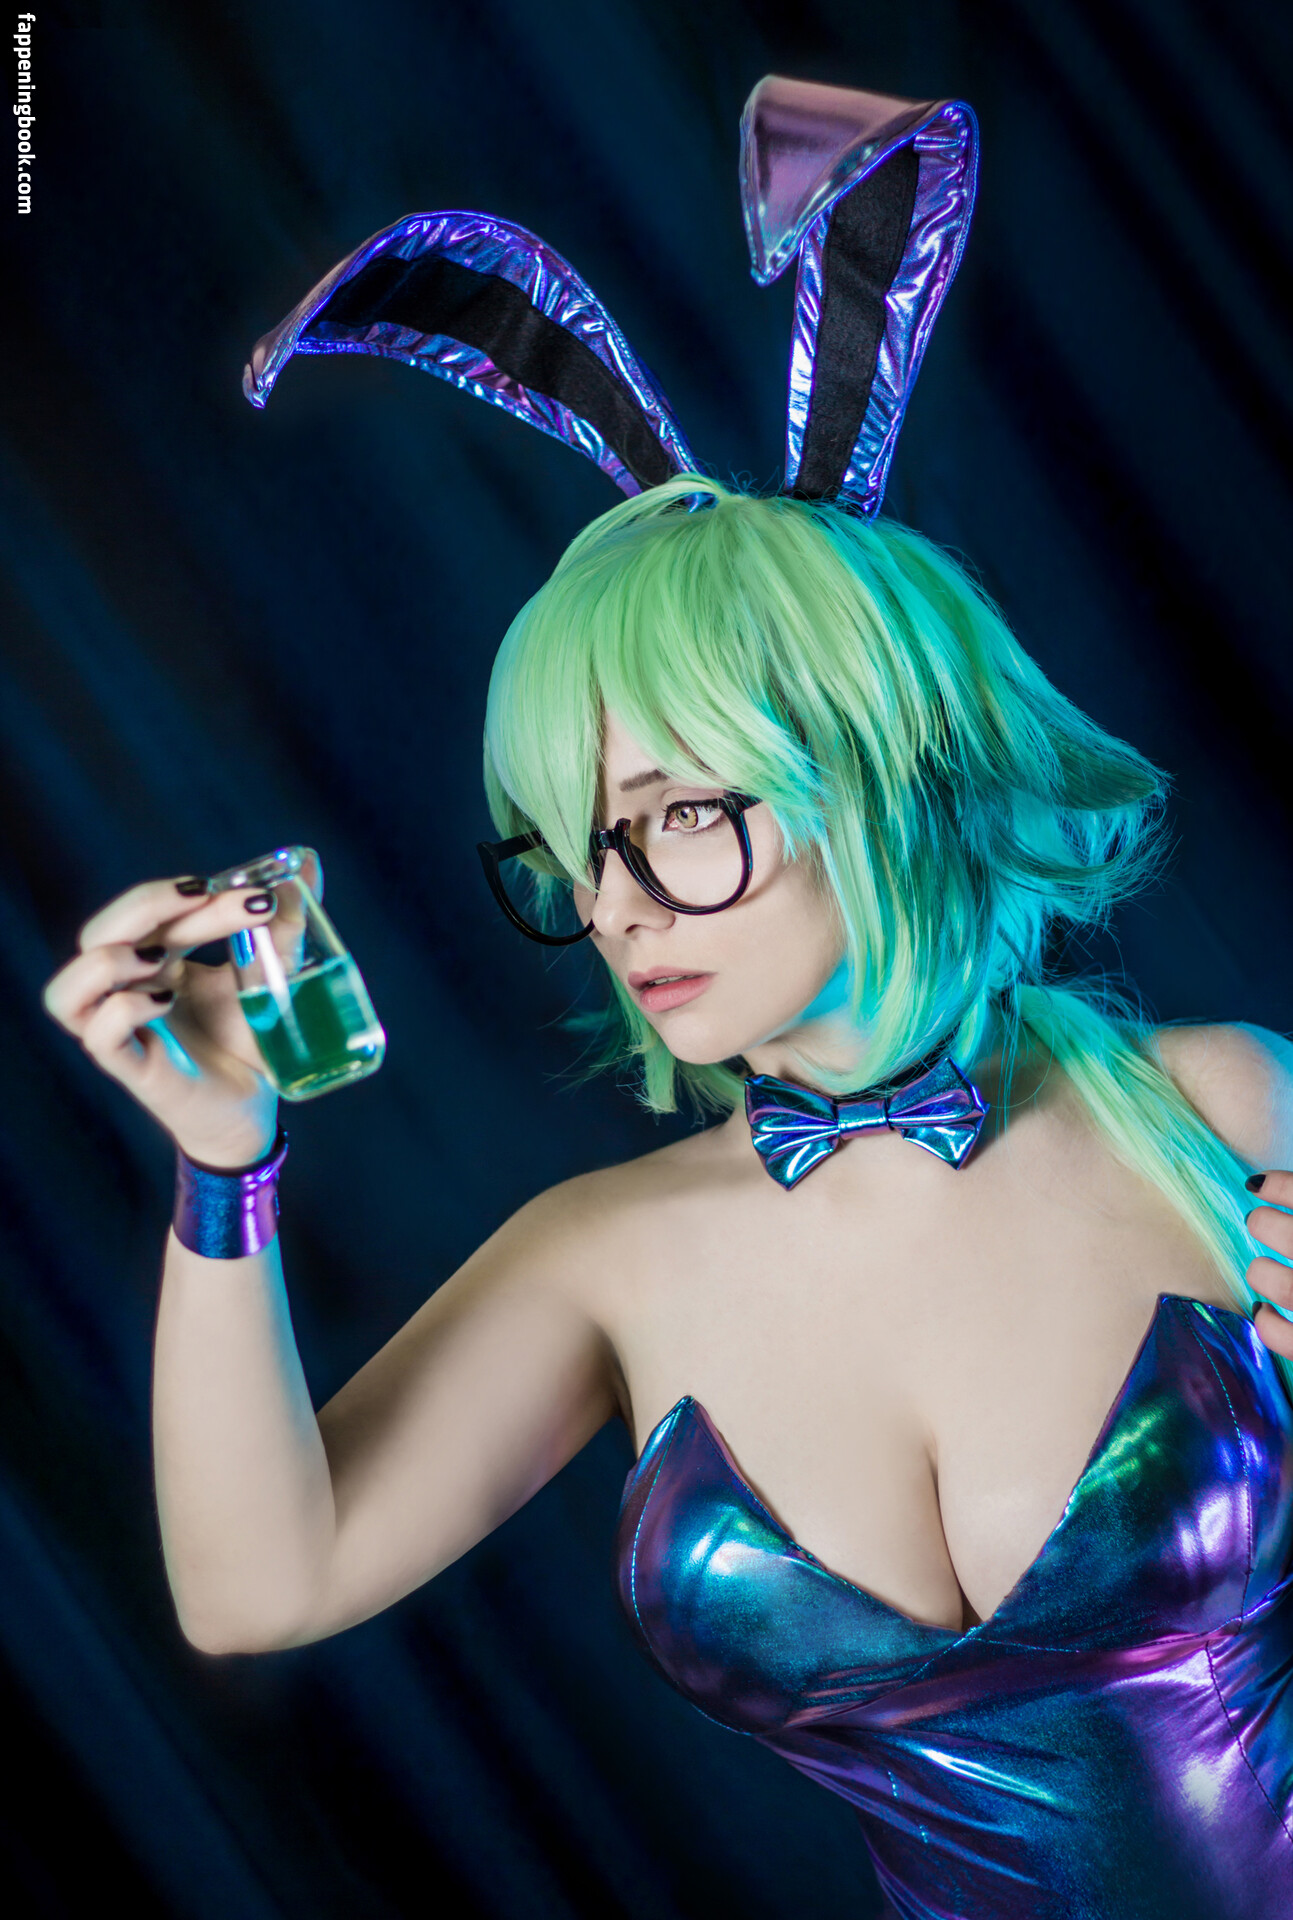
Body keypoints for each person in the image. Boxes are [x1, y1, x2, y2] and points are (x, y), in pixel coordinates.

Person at [40, 75, 1293, 1920]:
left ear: (880, 769)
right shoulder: (598, 1260)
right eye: (576, 846)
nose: (616, 905)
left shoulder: (1219, 1108)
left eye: (679, 818)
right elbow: (255, 1587)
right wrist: (226, 1166)